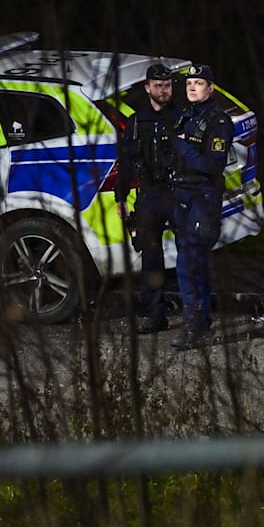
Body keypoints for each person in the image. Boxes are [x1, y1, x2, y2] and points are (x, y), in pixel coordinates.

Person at [169, 63, 233, 350]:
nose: (192, 87)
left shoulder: (219, 121)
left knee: (187, 264)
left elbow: (212, 164)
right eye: (189, 83)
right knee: (196, 264)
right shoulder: (186, 116)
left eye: (198, 83)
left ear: (211, 88)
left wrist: (182, 147)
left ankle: (193, 327)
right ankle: (202, 324)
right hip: (182, 194)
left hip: (203, 197)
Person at [115, 65, 178, 334]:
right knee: (151, 257)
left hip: (177, 192)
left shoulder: (181, 118)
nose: (163, 91)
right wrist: (120, 197)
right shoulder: (136, 122)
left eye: (167, 85)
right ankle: (155, 314)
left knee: (189, 253)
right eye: (158, 85)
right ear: (147, 88)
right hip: (150, 195)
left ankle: (196, 317)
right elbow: (127, 162)